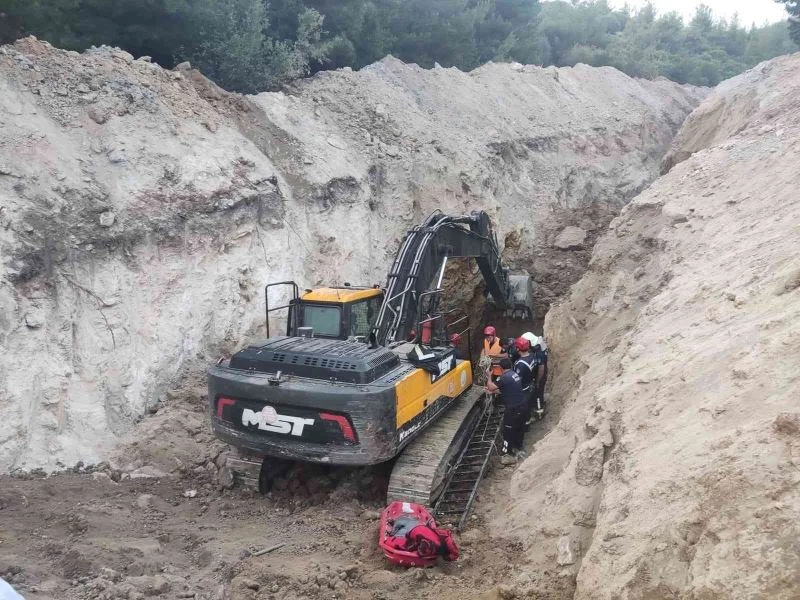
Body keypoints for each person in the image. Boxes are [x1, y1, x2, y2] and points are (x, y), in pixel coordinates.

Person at [485, 357, 527, 460]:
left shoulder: (504, 377)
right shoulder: (514, 375)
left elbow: (490, 386)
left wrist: (489, 376)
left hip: (513, 409)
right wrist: (493, 392)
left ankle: (506, 453)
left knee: (508, 430)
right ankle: (519, 447)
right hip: (522, 406)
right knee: (519, 428)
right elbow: (506, 390)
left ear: (500, 368)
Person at [512, 336, 537, 427]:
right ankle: (528, 420)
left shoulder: (520, 364)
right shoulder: (532, 356)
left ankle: (525, 426)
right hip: (530, 385)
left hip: (523, 390)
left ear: (518, 348)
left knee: (522, 411)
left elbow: (517, 380)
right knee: (528, 408)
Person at [523, 332, 549, 418]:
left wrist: (537, 380)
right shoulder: (539, 343)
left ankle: (539, 411)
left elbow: (541, 368)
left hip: (540, 375)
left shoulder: (538, 351)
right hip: (539, 373)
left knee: (538, 392)